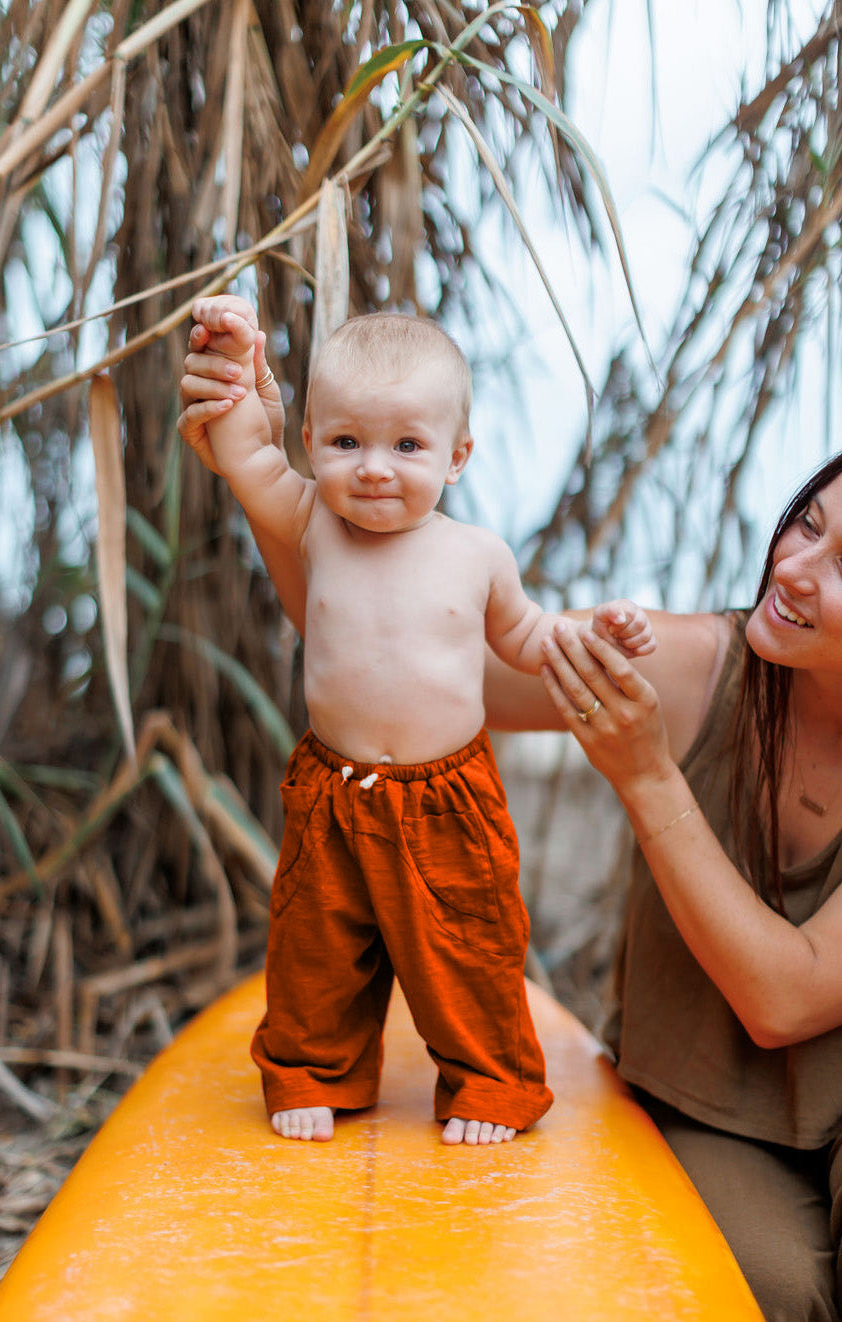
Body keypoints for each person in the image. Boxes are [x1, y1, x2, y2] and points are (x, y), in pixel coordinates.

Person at [178, 293, 655, 1148]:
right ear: (314, 440)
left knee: (470, 948)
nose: (373, 468)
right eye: (345, 441)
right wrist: (238, 347)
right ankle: (312, 1071)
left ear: (456, 455)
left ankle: (488, 1081)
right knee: (314, 949)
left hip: (448, 801)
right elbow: (244, 448)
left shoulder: (476, 555)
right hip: (335, 788)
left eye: (406, 444)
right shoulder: (310, 519)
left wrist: (595, 631)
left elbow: (528, 636)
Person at [537, 451, 842, 1322]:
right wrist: (270, 480)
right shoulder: (697, 667)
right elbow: (420, 654)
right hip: (707, 1107)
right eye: (806, 524)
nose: (789, 568)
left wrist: (644, 778)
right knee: (760, 1288)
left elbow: (784, 997)